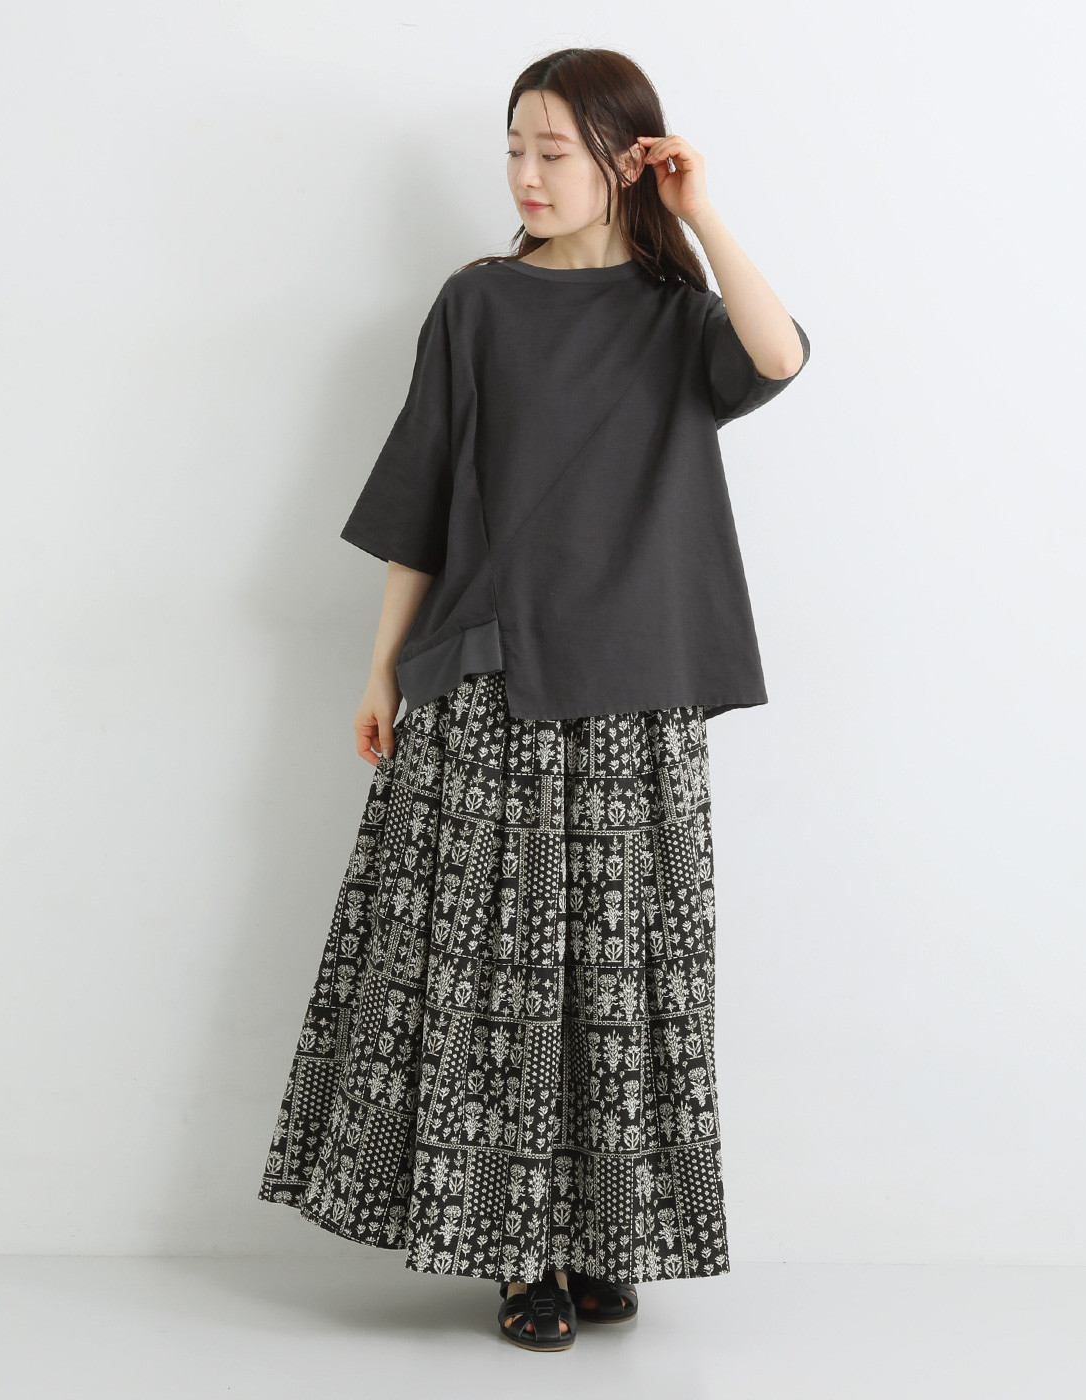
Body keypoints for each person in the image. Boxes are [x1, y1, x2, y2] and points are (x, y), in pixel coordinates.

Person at [258, 46, 810, 1353]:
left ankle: (603, 1241)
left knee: (623, 981)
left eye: (553, 151)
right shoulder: (477, 304)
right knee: (492, 982)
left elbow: (779, 356)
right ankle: (520, 1257)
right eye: (515, 147)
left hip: (637, 689)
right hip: (491, 678)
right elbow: (419, 497)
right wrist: (381, 666)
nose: (525, 174)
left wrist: (700, 213)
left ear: (626, 160)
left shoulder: (679, 316)